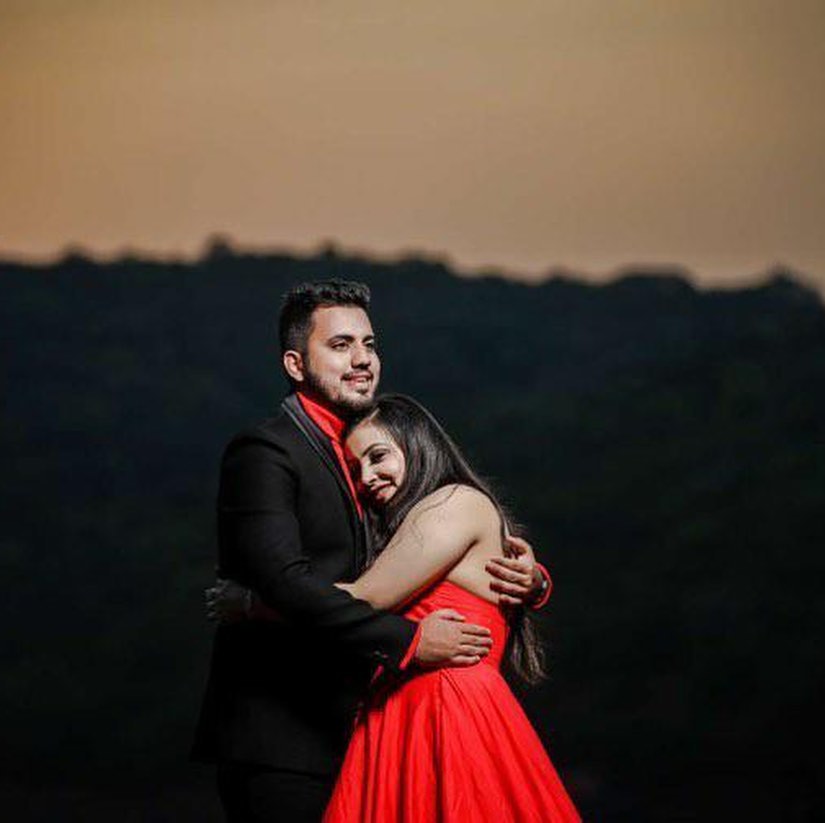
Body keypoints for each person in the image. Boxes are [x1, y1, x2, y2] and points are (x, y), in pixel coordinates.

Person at [192, 281, 549, 822]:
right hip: (284, 739)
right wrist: (412, 641)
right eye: (340, 345)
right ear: (295, 364)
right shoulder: (266, 451)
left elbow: (440, 558)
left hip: (371, 728)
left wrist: (533, 579)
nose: (362, 359)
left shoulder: (382, 461)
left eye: (369, 344)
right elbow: (285, 581)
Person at [217, 394, 580, 822]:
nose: (368, 478)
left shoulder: (452, 502)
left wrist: (256, 603)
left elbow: (366, 598)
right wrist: (538, 583)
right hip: (411, 710)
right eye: (356, 470)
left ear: (416, 442)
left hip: (445, 710)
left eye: (378, 456)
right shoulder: (421, 520)